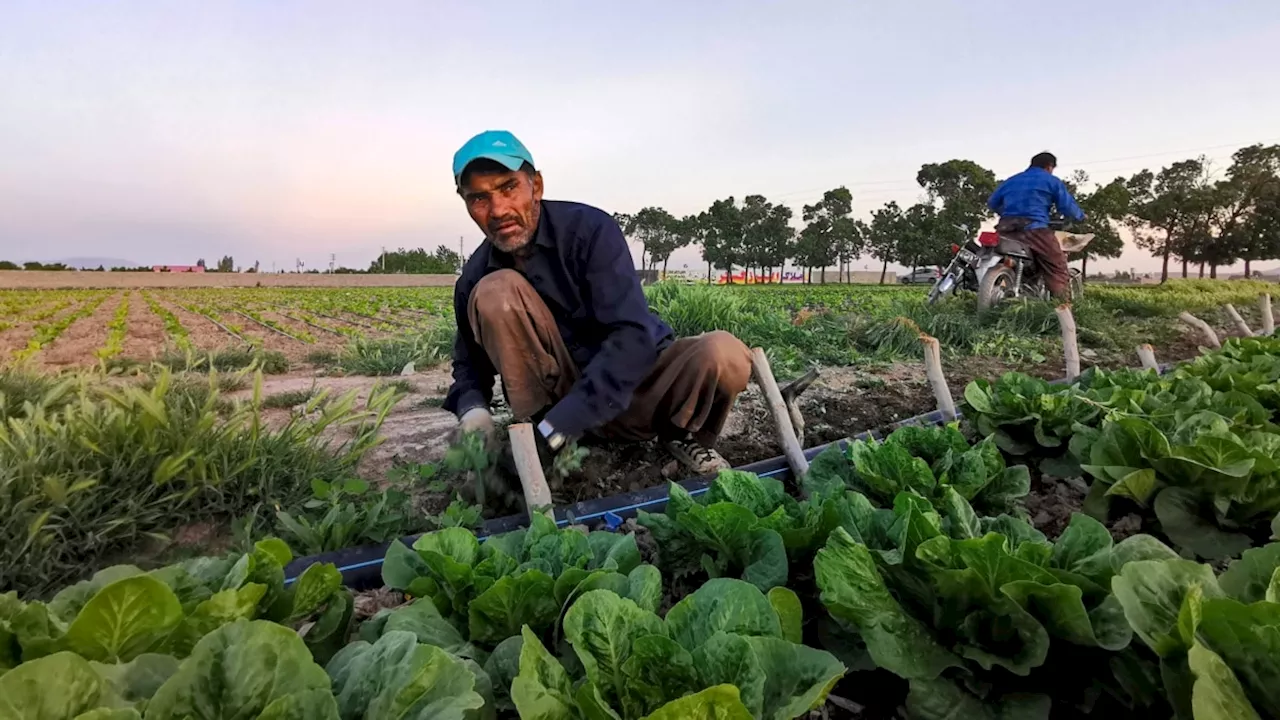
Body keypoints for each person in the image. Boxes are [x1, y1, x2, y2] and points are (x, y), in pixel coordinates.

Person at [441, 130, 753, 479]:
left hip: (640, 386)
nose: (498, 209)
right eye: (479, 198)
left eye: (508, 187)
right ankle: (548, 439)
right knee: (496, 291)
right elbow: (468, 364)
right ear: (467, 205)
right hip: (560, 405)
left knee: (726, 354)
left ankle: (681, 436)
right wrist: (473, 411)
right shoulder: (476, 276)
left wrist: (563, 424)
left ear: (537, 187)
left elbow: (632, 339)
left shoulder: (588, 231)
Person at [986, 151, 1086, 300]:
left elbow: (992, 203)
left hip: (1006, 230)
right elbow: (1066, 206)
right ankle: (1065, 309)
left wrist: (1007, 214)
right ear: (1049, 167)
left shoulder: (1011, 180)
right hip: (1035, 231)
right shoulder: (1051, 181)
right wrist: (1081, 216)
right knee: (1057, 266)